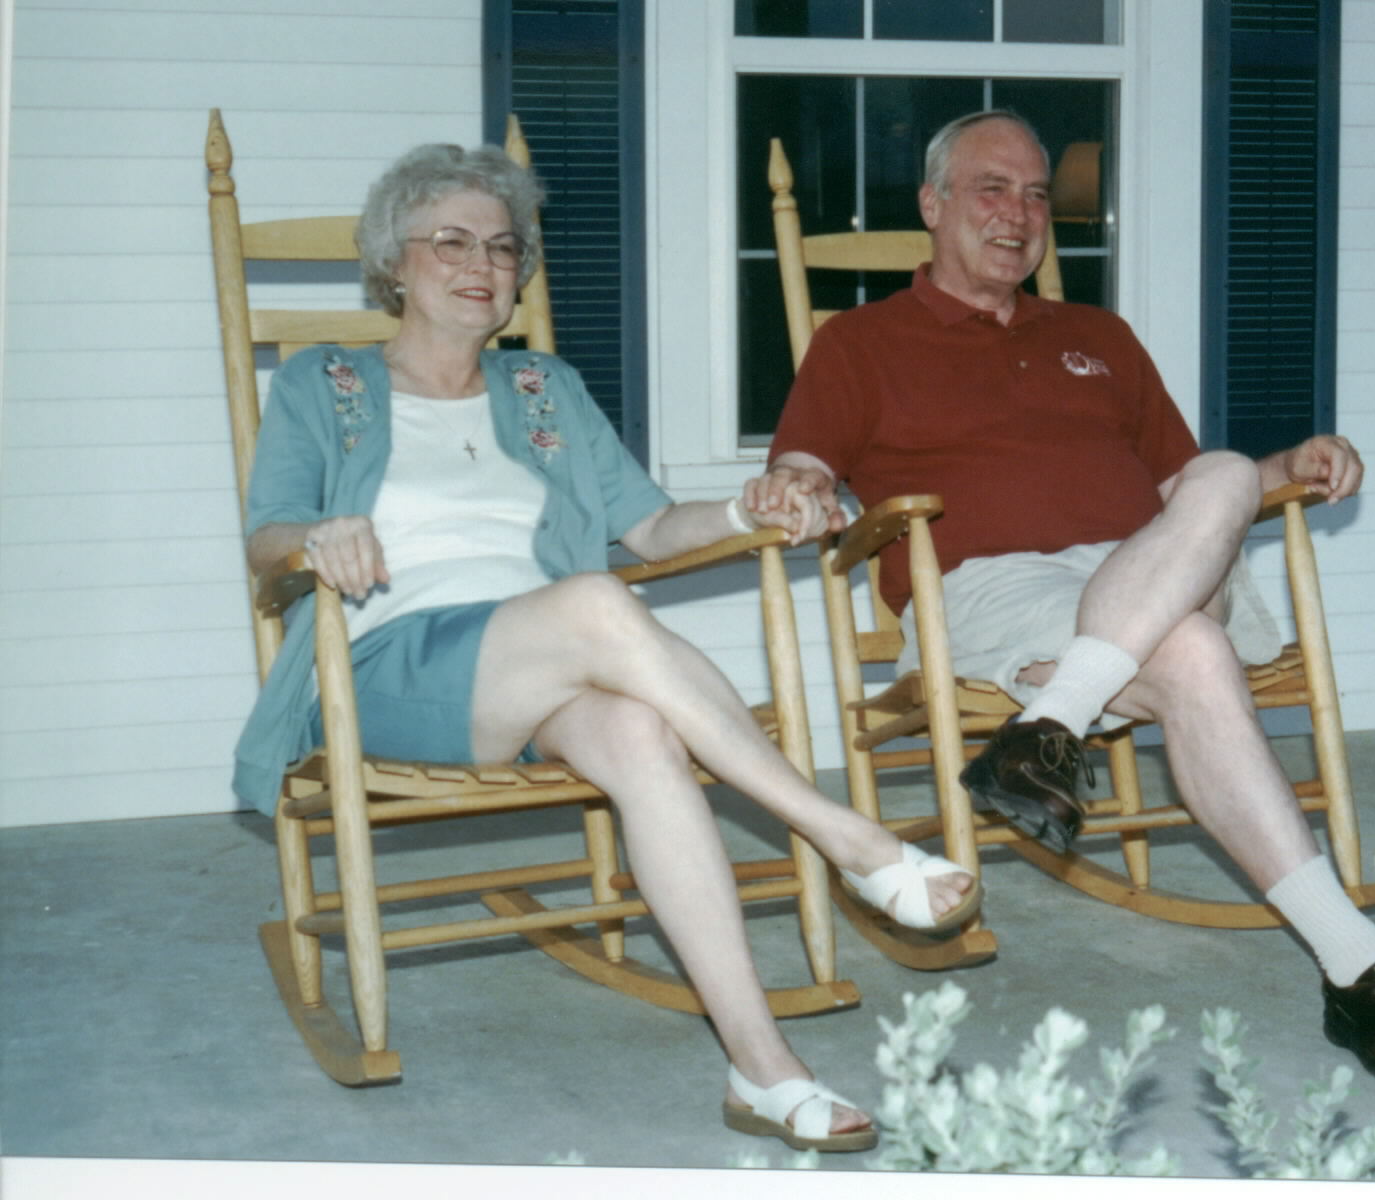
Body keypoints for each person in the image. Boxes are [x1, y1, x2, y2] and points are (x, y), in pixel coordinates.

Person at [231, 141, 982, 1151]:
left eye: (503, 247)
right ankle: (850, 838)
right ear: (392, 262)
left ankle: (762, 1068)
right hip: (382, 666)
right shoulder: (324, 383)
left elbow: (656, 529)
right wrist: (319, 536)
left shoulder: (543, 386)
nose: (482, 264)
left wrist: (748, 509)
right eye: (450, 241)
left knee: (639, 735)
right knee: (592, 601)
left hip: (537, 669)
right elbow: (267, 539)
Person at [747, 110, 1375, 1088]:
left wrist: (1292, 465)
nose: (1018, 214)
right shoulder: (860, 342)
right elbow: (803, 462)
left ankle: (1047, 726)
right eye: (991, 189)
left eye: (1036, 195)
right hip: (994, 587)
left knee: (1225, 472)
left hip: (1145, 568)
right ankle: (1361, 967)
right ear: (933, 205)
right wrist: (793, 483)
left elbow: (1187, 492)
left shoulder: (1100, 336)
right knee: (1194, 652)